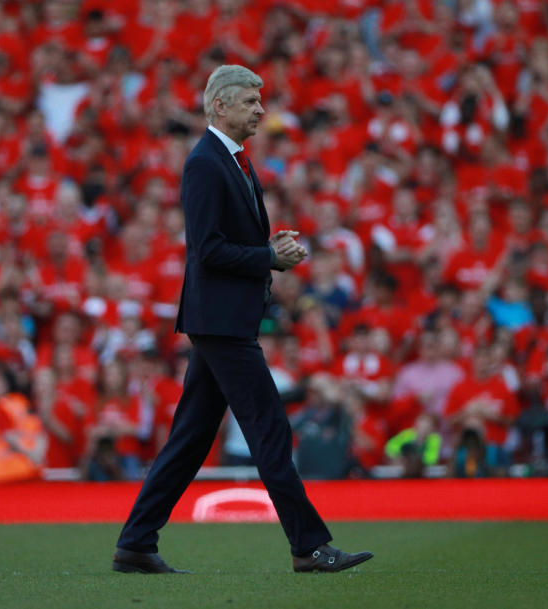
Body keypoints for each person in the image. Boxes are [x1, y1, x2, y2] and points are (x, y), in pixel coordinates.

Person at [112, 65, 372, 574]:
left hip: (222, 320)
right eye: (251, 101)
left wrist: (267, 249)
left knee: (190, 437)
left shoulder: (229, 161)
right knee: (269, 428)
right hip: (222, 324)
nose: (261, 109)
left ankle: (136, 543)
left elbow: (219, 247)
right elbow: (206, 250)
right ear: (219, 107)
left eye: (260, 100)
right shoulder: (207, 164)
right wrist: (267, 259)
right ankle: (308, 545)